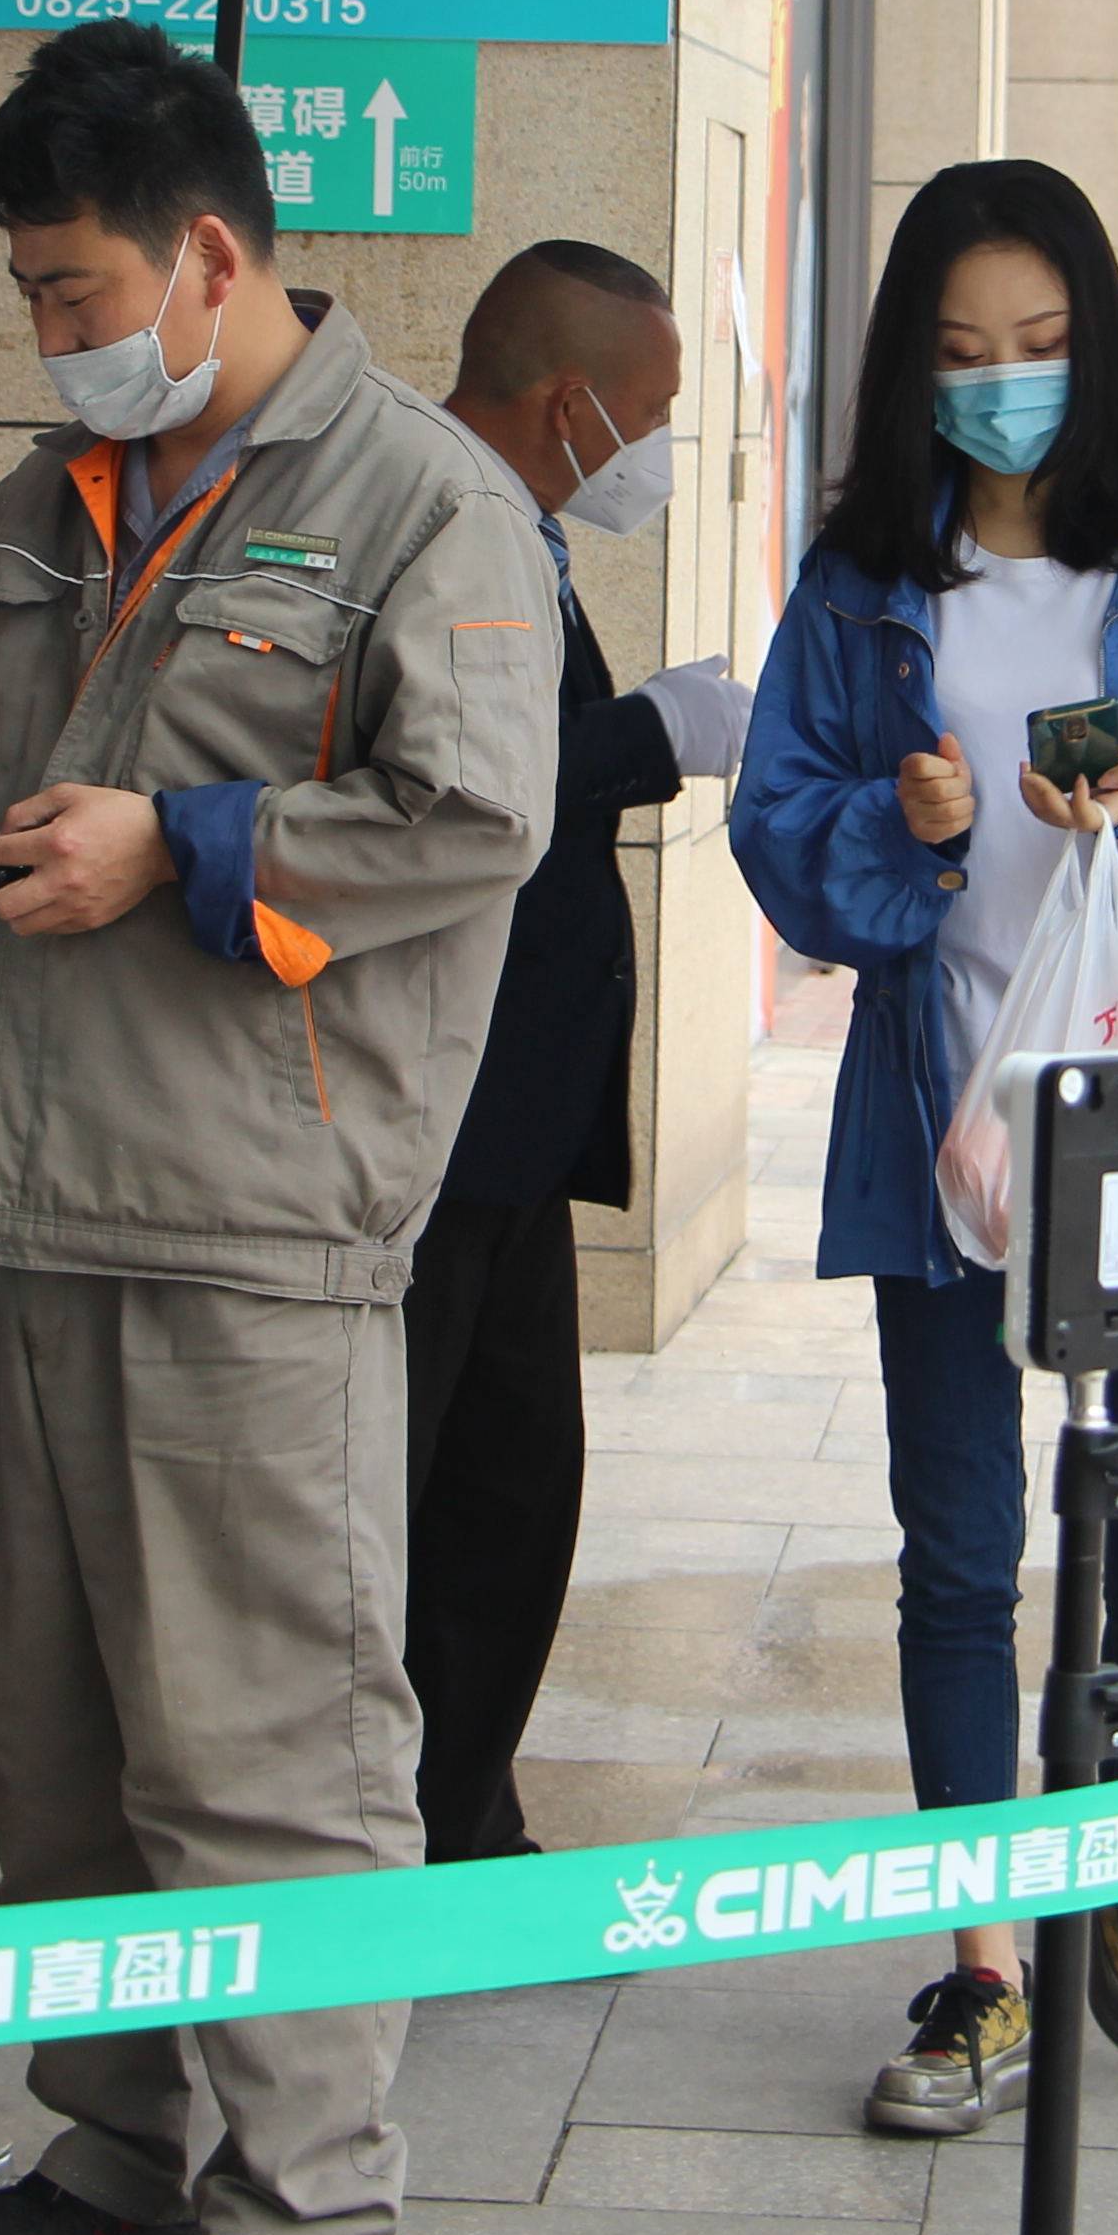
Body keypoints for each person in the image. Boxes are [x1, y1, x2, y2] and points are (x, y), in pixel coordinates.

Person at [0, 21, 559, 2235]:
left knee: (266, 1745)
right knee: (54, 1738)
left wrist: (185, 848)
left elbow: (476, 817)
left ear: (213, 255)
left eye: (77, 291)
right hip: (12, 1205)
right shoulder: (41, 503)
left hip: (250, 1224)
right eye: (31, 294)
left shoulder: (423, 500)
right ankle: (117, 2162)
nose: (55, 334)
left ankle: (311, 2225)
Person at [730, 159, 1118, 2134]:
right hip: (949, 1093)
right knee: (961, 1553)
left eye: (1044, 347)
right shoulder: (862, 580)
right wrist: (895, 829)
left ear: (1100, 345)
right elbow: (785, 840)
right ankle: (983, 1962)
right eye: (964, 353)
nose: (1004, 386)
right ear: (914, 367)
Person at [413, 239, 753, 1866]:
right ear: (572, 402)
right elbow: (458, 789)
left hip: (514, 1127)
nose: (665, 446)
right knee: (433, 1502)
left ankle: (468, 1824)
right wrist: (652, 739)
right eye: (658, 410)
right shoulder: (434, 518)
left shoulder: (518, 524)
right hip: (437, 1116)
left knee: (510, 1493)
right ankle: (418, 1837)